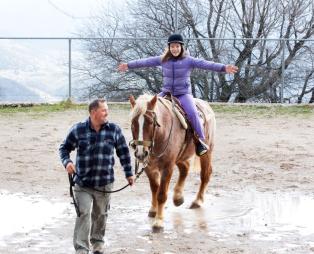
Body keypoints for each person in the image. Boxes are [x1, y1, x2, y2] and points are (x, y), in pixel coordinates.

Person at [118, 33, 238, 156]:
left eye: (177, 46)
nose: (174, 49)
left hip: (183, 94)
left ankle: (200, 141)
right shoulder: (163, 59)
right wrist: (128, 65)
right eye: (172, 47)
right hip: (166, 93)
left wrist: (224, 68)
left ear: (181, 47)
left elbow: (206, 64)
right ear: (169, 48)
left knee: (192, 113)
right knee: (148, 111)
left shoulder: (189, 60)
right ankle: (146, 140)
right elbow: (145, 62)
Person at [59, 99, 134, 254]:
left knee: (100, 215)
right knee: (83, 213)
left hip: (105, 183)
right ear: (93, 112)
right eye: (104, 110)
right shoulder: (78, 129)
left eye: (107, 109)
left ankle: (98, 244)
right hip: (82, 183)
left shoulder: (114, 130)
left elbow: (123, 153)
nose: (107, 113)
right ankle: (81, 248)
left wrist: (129, 174)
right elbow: (64, 148)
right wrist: (67, 162)